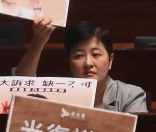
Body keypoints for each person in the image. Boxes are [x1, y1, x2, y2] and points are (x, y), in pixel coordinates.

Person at [16, 18, 148, 113]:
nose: (88, 63)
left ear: (111, 60)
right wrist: (39, 40)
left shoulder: (130, 96)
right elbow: (20, 86)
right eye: (79, 55)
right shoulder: (56, 93)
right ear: (68, 61)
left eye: (96, 54)